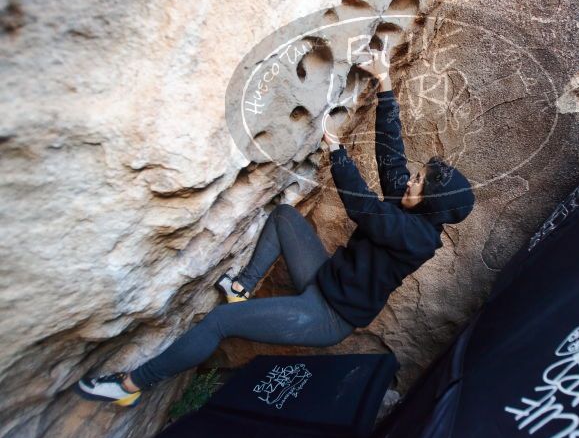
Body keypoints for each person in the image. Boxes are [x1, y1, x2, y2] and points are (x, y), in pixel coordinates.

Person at [75, 48, 476, 407]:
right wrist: (385, 82)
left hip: (327, 316)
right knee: (284, 217)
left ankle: (130, 384)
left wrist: (337, 153)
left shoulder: (417, 238)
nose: (410, 180)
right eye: (417, 176)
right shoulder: (411, 210)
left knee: (218, 324)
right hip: (324, 280)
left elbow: (365, 210)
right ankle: (242, 287)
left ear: (434, 204)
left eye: (419, 182)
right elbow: (391, 156)